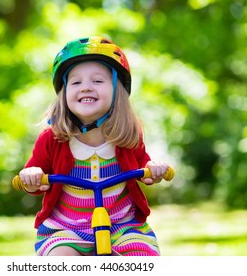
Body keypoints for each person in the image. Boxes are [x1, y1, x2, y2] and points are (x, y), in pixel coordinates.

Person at [18, 36, 170, 256]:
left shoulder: (128, 133)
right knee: (60, 260)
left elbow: (143, 166)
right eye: (76, 82)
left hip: (123, 225)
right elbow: (32, 179)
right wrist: (31, 176)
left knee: (142, 259)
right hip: (67, 228)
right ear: (64, 92)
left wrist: (154, 170)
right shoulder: (52, 138)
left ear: (118, 91)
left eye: (97, 81)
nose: (86, 88)